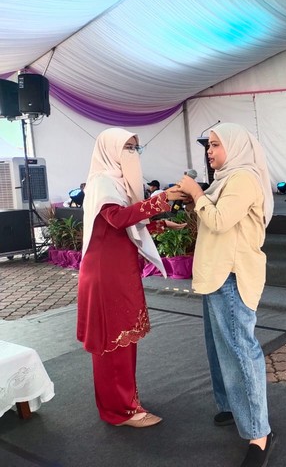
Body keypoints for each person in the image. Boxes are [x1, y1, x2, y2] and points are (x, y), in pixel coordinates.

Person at [177, 123, 275, 467]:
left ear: (235, 147)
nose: (209, 151)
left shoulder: (243, 178)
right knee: (219, 348)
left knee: (240, 352)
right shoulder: (225, 180)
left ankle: (259, 433)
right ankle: (233, 406)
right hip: (217, 274)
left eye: (216, 145)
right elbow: (212, 219)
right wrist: (193, 198)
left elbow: (219, 220)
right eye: (209, 145)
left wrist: (196, 192)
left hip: (232, 275)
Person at [77, 127, 187, 428]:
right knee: (114, 340)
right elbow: (117, 219)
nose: (133, 154)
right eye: (127, 147)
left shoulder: (116, 182)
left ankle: (124, 403)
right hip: (106, 272)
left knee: (123, 338)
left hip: (116, 268)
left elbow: (119, 227)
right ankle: (120, 411)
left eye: (136, 148)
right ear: (110, 150)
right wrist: (161, 199)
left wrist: (158, 224)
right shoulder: (102, 182)